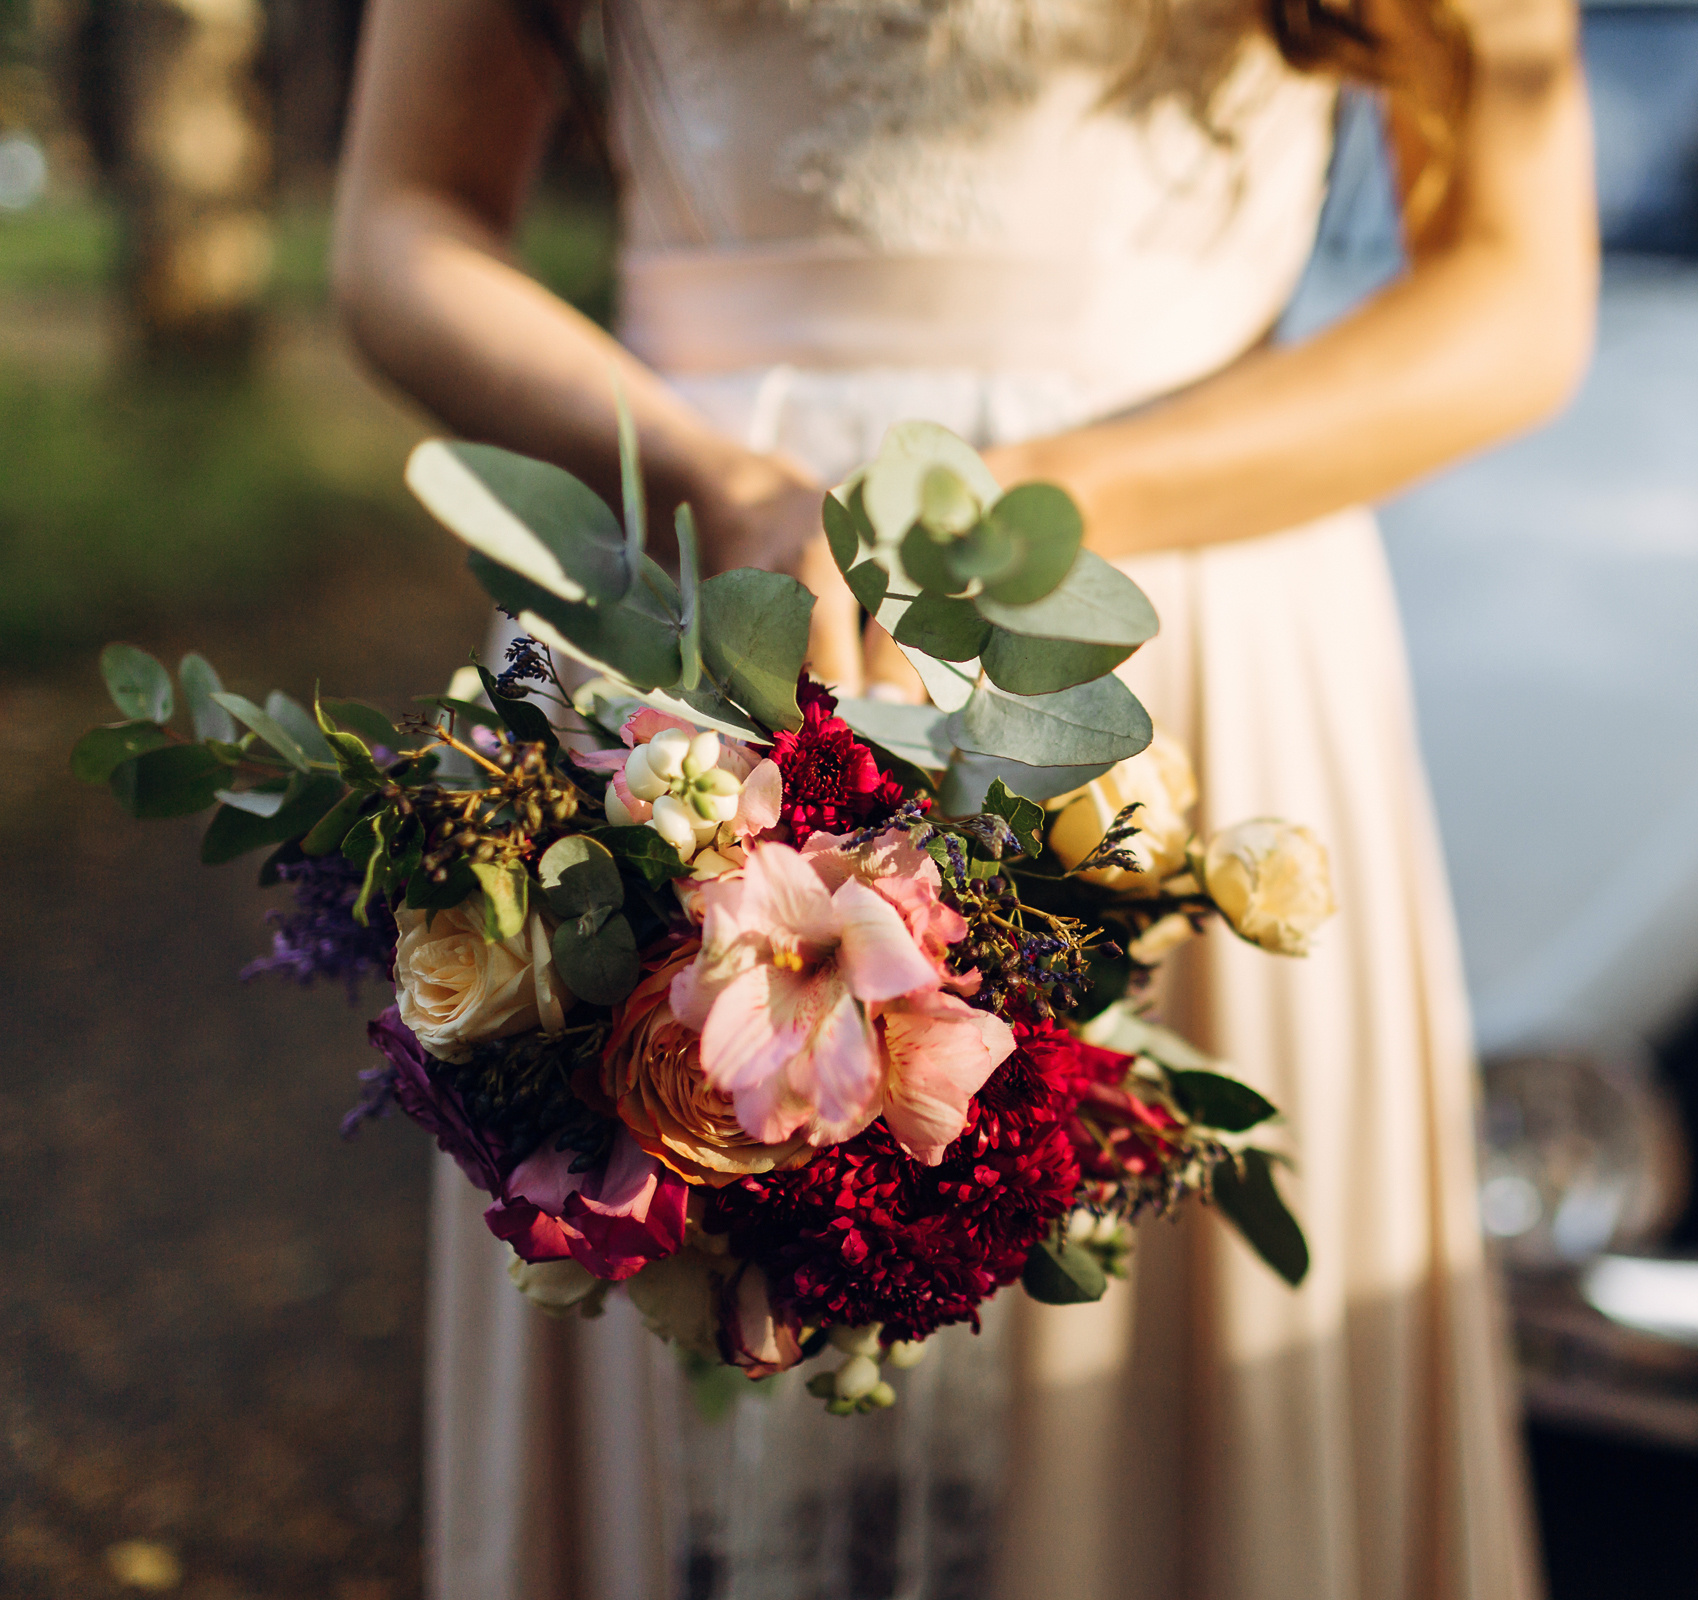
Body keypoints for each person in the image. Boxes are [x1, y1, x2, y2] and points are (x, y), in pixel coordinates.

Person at [330, 1, 1593, 1596]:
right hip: (690, 578)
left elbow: (1513, 293)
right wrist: (721, 489)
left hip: (1159, 609)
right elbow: (402, 221)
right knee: (665, 1237)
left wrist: (1044, 507)